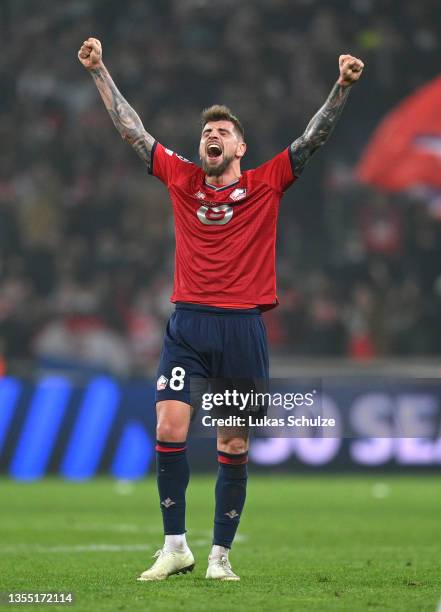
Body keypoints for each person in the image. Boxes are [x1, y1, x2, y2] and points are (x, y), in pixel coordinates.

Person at [78, 37, 364, 581]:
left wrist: (342, 87)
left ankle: (220, 556)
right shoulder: (183, 180)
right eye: (207, 132)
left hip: (242, 329)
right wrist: (99, 71)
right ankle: (175, 545)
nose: (212, 136)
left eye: (223, 132)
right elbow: (132, 130)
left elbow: (313, 138)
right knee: (168, 425)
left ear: (240, 148)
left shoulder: (267, 183)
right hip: (188, 324)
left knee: (233, 442)